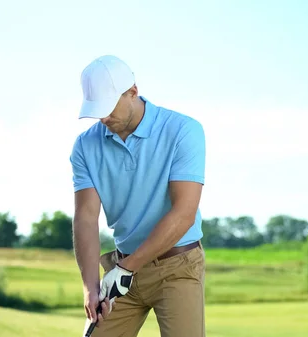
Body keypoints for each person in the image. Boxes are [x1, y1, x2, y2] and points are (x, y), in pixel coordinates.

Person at [69, 54, 207, 337]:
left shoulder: (183, 130)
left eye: (108, 107)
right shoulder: (85, 145)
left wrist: (126, 268)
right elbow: (85, 217)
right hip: (122, 269)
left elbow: (183, 213)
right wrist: (90, 286)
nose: (103, 117)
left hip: (176, 267)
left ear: (133, 92)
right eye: (97, 110)